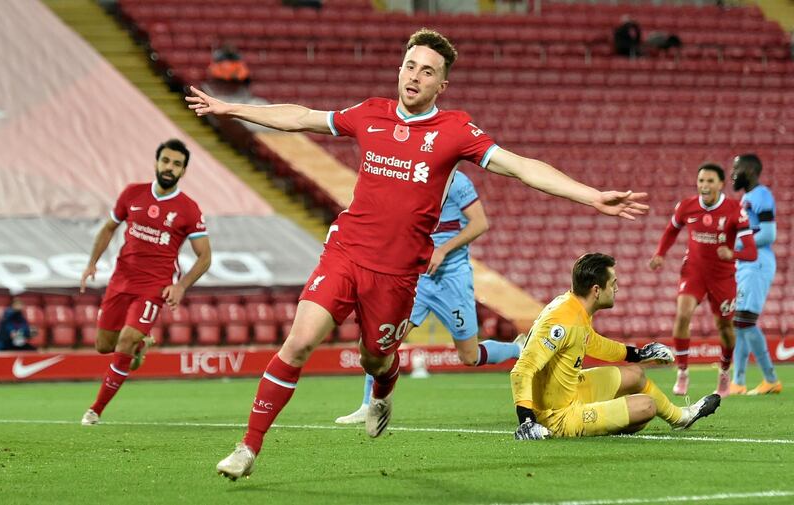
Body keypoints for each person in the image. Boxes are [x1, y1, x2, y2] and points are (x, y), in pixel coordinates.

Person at [186, 28, 649, 481]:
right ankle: (248, 447)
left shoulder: (454, 130)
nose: (415, 77)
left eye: (427, 72)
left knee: (375, 359)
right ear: (399, 69)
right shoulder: (370, 113)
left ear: (441, 85)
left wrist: (588, 195)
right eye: (410, 66)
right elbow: (302, 116)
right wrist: (228, 108)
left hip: (398, 276)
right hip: (346, 252)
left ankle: (383, 390)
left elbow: (520, 167)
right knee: (300, 341)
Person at [335, 171, 522, 424]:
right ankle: (369, 405)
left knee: (469, 356)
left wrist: (443, 250)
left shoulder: (458, 181)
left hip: (452, 279)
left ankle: (518, 348)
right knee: (384, 339)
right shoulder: (412, 175)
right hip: (417, 279)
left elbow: (480, 223)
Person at [510, 253, 721, 441]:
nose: (617, 289)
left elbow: (592, 342)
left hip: (570, 392)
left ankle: (682, 418)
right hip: (556, 415)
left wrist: (638, 354)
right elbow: (522, 370)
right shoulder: (563, 321)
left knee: (636, 375)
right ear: (596, 290)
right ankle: (583, 422)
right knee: (647, 406)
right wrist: (527, 420)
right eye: (613, 284)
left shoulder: (572, 307)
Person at [79, 139, 211, 426]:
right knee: (104, 346)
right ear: (156, 162)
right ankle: (139, 348)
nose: (169, 167)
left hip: (155, 287)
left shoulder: (188, 209)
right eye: (166, 161)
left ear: (183, 171)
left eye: (177, 164)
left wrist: (180, 286)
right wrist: (92, 263)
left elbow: (204, 257)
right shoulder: (132, 194)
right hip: (120, 281)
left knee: (125, 339)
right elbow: (108, 229)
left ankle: (95, 410)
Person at [649, 163, 757, 398]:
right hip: (694, 272)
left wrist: (733, 254)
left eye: (709, 181)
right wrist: (660, 254)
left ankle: (725, 371)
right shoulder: (686, 206)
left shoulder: (734, 209)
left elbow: (752, 252)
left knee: (725, 328)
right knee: (682, 315)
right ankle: (682, 371)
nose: (704, 186)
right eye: (701, 181)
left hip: (723, 276)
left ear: (720, 184)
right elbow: (670, 231)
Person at [729, 154, 782, 395]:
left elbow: (769, 234)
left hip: (758, 263)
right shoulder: (747, 198)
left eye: (736, 168)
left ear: (749, 170)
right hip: (747, 265)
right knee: (739, 323)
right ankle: (738, 382)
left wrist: (736, 246)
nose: (732, 173)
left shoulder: (761, 195)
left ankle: (770, 378)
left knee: (745, 321)